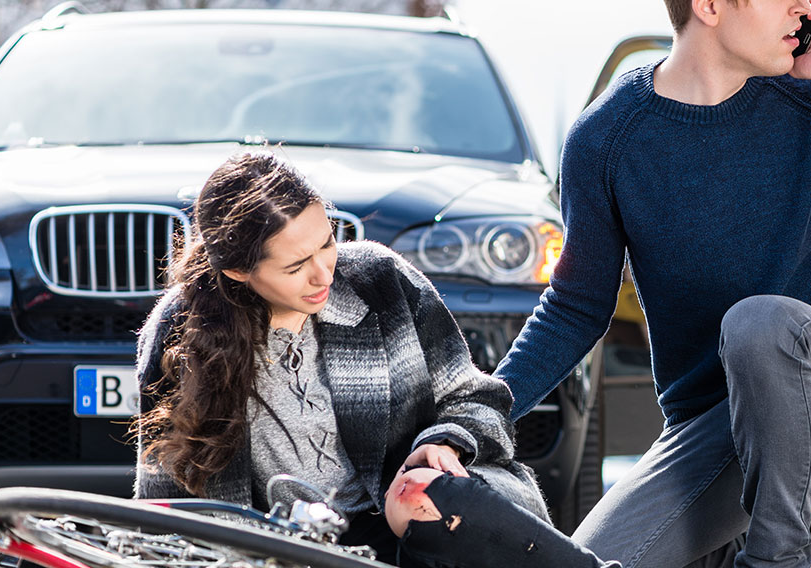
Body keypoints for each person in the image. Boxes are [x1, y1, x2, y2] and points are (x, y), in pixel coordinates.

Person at [493, 1, 811, 567]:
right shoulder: (606, 140)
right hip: (715, 431)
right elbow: (573, 308)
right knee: (593, 561)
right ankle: (757, 535)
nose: (806, 6)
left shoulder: (803, 98)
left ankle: (780, 555)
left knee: (759, 323)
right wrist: (479, 414)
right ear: (710, 6)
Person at [132, 152, 616, 567]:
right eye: (296, 266)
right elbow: (166, 500)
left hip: (425, 526)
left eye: (327, 242)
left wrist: (446, 442)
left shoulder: (381, 280)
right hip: (285, 551)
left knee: (420, 492)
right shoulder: (181, 333)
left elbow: (478, 396)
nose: (324, 272)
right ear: (239, 271)